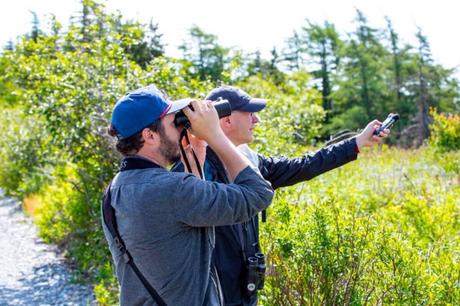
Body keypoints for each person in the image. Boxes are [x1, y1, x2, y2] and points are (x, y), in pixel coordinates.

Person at [201, 86, 391, 306]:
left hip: (245, 288)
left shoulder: (250, 160)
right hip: (215, 294)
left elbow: (304, 166)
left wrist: (357, 142)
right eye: (250, 113)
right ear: (227, 121)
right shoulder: (196, 168)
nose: (257, 120)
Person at [102, 85, 274, 306]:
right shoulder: (169, 189)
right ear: (150, 135)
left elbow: (182, 232)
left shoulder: (116, 189)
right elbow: (258, 193)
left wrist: (196, 157)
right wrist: (215, 136)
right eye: (175, 122)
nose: (182, 129)